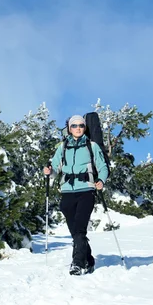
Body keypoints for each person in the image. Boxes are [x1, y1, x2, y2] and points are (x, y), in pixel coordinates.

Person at [43, 114, 109, 275]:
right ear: (69, 128)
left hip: (86, 190)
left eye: (81, 126)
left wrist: (101, 180)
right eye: (74, 126)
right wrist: (49, 171)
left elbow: (103, 167)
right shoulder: (63, 146)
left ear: (84, 128)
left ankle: (77, 263)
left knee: (79, 229)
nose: (78, 128)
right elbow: (55, 168)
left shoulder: (91, 146)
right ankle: (89, 259)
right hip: (67, 191)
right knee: (75, 231)